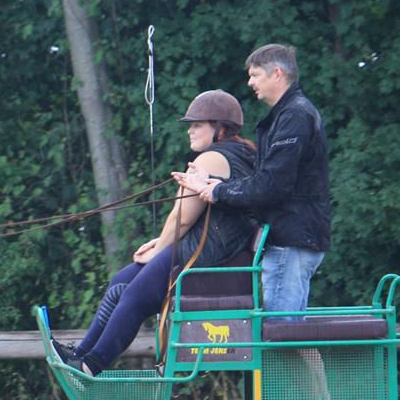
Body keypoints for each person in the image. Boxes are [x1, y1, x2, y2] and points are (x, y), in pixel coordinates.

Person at [55, 90, 257, 375]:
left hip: (203, 253)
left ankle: (90, 365)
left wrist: (158, 251)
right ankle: (81, 353)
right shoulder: (243, 153)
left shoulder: (211, 159)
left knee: (135, 296)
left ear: (219, 128)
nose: (190, 130)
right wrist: (157, 244)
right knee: (123, 280)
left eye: (197, 124)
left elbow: (182, 219)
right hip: (215, 249)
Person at [173, 44, 330, 319]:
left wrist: (217, 191)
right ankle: (326, 366)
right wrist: (211, 183)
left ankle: (326, 365)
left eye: (256, 75)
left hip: (290, 242)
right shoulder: (288, 115)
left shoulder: (294, 116)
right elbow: (263, 182)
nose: (250, 82)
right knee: (292, 336)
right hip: (293, 240)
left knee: (280, 335)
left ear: (277, 73)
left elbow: (271, 186)